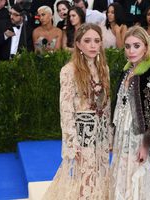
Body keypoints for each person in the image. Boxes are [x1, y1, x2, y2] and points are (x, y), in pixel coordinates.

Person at [42, 23, 112, 200]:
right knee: (85, 177)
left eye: (97, 41)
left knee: (101, 172)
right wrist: (72, 141)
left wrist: (109, 133)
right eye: (87, 41)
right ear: (78, 44)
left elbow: (107, 103)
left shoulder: (104, 69)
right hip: (82, 132)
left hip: (101, 131)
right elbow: (65, 109)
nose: (93, 45)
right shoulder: (68, 71)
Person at [110, 26, 150, 200]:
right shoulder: (126, 71)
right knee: (121, 175)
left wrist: (146, 144)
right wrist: (113, 133)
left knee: (136, 178)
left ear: (146, 46)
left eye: (136, 45)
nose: (131, 50)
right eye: (127, 46)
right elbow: (120, 103)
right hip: (122, 133)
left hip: (140, 135)